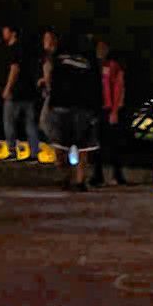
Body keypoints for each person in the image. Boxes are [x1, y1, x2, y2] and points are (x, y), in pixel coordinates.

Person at [46, 33, 102, 191]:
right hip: (65, 105)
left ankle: (78, 180)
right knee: (62, 146)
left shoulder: (88, 59)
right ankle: (69, 178)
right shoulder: (60, 58)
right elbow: (53, 79)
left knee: (81, 146)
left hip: (81, 106)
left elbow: (96, 83)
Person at [1, 24, 40, 163]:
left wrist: (8, 88)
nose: (3, 33)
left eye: (6, 30)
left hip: (16, 92)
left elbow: (14, 69)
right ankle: (34, 153)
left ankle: (12, 151)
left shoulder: (14, 49)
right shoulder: (26, 50)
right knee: (30, 123)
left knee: (9, 121)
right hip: (29, 92)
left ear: (13, 33)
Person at [91, 39, 126, 187]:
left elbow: (119, 88)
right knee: (95, 144)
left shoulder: (113, 66)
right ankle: (97, 175)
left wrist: (115, 110)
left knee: (113, 144)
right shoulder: (94, 66)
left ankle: (117, 174)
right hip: (96, 109)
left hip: (109, 108)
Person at [37, 28, 59, 140]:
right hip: (48, 93)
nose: (45, 41)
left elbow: (53, 73)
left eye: (48, 38)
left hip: (54, 94)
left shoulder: (55, 56)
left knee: (45, 122)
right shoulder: (46, 56)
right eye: (45, 38)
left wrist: (46, 80)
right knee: (44, 121)